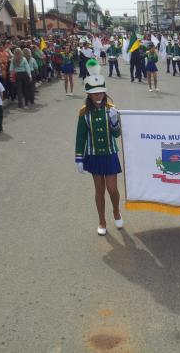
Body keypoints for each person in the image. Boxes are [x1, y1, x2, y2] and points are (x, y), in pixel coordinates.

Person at [74, 60, 123, 236]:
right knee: (99, 190)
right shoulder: (83, 112)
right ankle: (102, 220)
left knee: (112, 189)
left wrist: (115, 121)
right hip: (93, 156)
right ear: (88, 94)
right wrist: (79, 157)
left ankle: (116, 211)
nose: (98, 96)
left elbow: (117, 134)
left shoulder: (111, 109)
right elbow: (80, 136)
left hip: (110, 154)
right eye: (94, 93)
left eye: (101, 92)